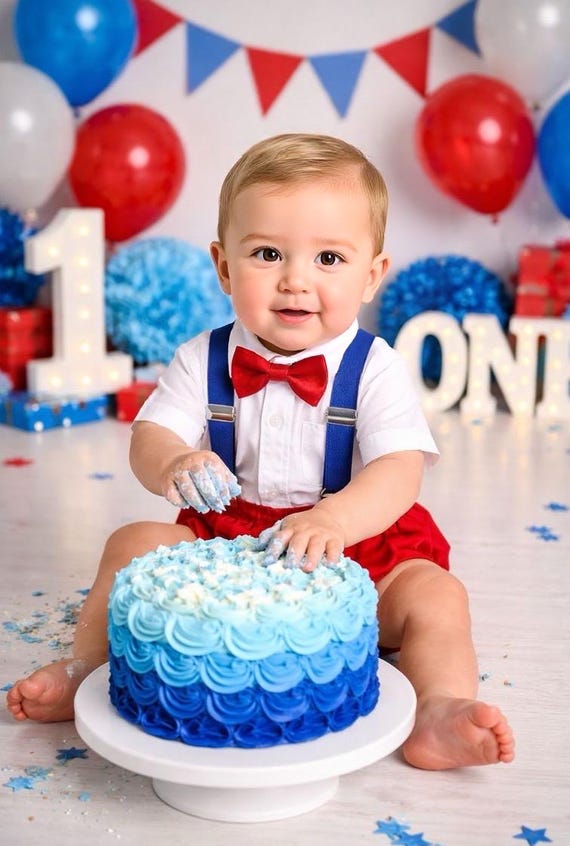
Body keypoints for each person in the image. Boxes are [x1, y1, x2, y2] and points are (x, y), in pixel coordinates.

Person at [7, 132, 514, 770]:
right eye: (268, 253)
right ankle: (86, 664)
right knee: (134, 541)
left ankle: (438, 708)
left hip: (353, 540)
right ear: (224, 266)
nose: (295, 281)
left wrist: (334, 519)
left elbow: (398, 471)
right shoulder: (203, 357)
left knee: (437, 596)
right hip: (227, 539)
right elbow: (150, 436)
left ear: (371, 275)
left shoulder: (374, 367)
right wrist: (173, 462)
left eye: (329, 258)